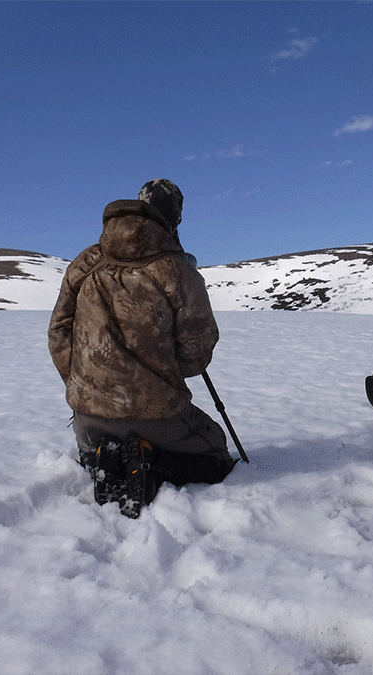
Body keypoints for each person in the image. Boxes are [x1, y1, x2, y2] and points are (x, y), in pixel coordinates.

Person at [48, 179, 235, 513]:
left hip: (89, 419)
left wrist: (84, 384)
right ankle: (151, 460)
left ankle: (105, 459)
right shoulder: (176, 269)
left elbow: (58, 333)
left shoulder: (85, 263)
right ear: (175, 218)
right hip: (157, 414)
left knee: (101, 438)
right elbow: (196, 355)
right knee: (216, 455)